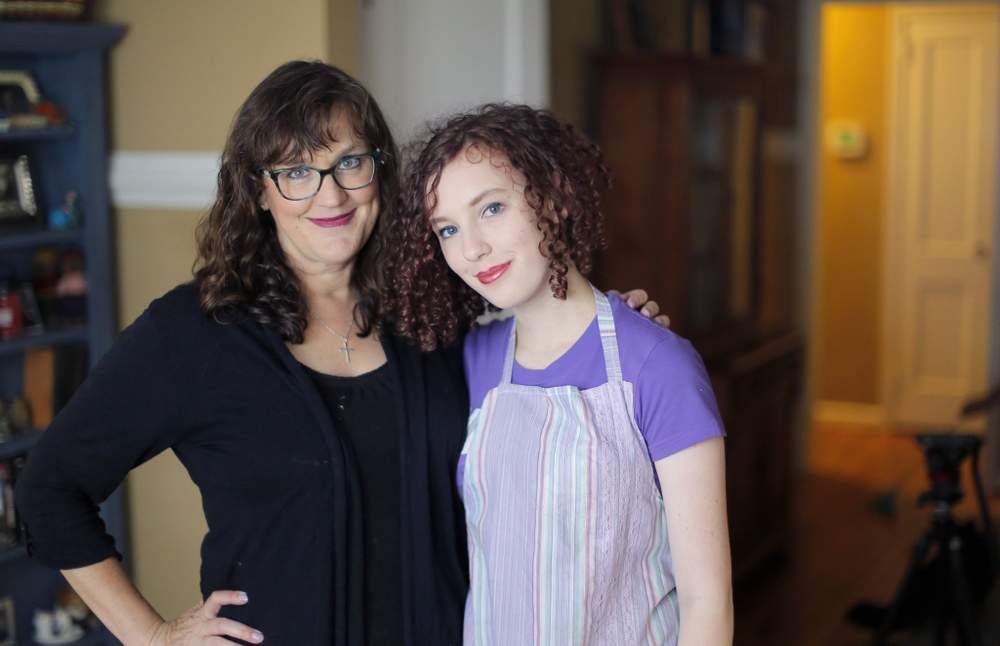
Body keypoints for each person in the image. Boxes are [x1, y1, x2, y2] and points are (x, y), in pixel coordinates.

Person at [14, 62, 666, 646]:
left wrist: (614, 331)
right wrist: (151, 636)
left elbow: (538, 357)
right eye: (296, 172)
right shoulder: (193, 333)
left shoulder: (431, 311)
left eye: (349, 162)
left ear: (380, 170)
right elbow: (49, 489)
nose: (330, 195)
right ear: (257, 190)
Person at [387, 103, 734, 645]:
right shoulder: (470, 361)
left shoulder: (659, 365)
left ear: (552, 196)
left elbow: (706, 601)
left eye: (492, 208)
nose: (472, 247)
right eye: (448, 228)